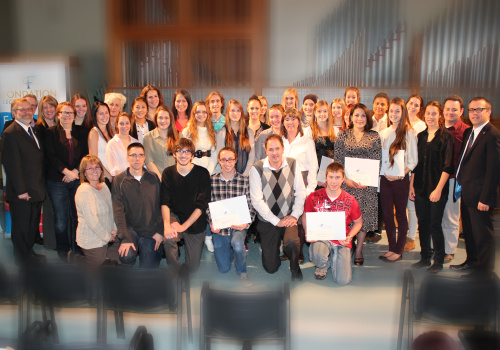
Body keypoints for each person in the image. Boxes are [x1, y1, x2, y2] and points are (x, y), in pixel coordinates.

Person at [451, 97, 500, 274]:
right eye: (472, 110)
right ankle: (471, 261)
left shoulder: (493, 135)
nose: (475, 113)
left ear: (489, 111)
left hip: (481, 196)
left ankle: (484, 271)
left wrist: (485, 198)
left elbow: (494, 171)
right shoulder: (470, 132)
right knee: (470, 232)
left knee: (482, 234)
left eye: (479, 109)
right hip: (467, 191)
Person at [249, 134, 306, 281]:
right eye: (271, 149)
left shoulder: (293, 164)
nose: (275, 153)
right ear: (265, 150)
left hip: (287, 216)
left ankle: (294, 266)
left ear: (283, 148)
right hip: (267, 220)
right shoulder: (257, 169)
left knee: (292, 242)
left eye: (277, 149)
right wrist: (276, 221)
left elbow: (300, 192)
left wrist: (294, 215)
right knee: (271, 268)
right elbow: (256, 201)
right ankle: (274, 253)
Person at [334, 103, 381, 265]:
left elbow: (377, 160)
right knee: (346, 217)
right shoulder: (342, 135)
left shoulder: (374, 136)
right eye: (356, 115)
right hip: (347, 184)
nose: (359, 118)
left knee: (363, 217)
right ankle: (347, 245)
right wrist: (346, 179)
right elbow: (338, 160)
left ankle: (359, 249)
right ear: (350, 117)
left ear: (367, 118)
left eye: (363, 115)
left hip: (366, 187)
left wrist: (367, 181)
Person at [410, 101, 454, 274]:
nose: (430, 116)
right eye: (428, 113)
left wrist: (438, 190)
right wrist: (411, 186)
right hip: (420, 188)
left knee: (435, 224)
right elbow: (415, 164)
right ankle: (425, 257)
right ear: (424, 115)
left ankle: (439, 260)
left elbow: (448, 166)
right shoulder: (420, 136)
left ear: (440, 116)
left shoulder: (446, 137)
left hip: (436, 189)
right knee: (423, 223)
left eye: (434, 113)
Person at [2, 98, 45, 265]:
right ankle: (22, 261)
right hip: (22, 192)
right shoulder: (10, 133)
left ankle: (29, 254)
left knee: (30, 227)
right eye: (22, 110)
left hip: (35, 189)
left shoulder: (30, 130)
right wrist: (21, 191)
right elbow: (12, 165)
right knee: (21, 228)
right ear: (14, 113)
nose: (28, 112)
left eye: (30, 109)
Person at [303, 162, 362, 285]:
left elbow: (358, 222)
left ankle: (335, 258)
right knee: (318, 256)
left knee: (342, 280)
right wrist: (307, 232)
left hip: (341, 240)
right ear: (326, 177)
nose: (333, 181)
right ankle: (323, 265)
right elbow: (305, 216)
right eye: (331, 177)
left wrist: (349, 237)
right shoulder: (313, 197)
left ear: (343, 179)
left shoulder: (350, 200)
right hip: (321, 238)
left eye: (337, 177)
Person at [45, 102, 89, 260]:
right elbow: (50, 156)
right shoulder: (50, 133)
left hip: (77, 179)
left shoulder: (81, 132)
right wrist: (66, 172)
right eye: (64, 112)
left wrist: (76, 172)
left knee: (78, 216)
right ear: (58, 115)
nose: (68, 115)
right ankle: (63, 249)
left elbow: (85, 153)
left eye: (71, 112)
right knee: (61, 218)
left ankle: (78, 247)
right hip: (57, 181)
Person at [161, 138, 211, 272]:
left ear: (192, 155)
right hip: (175, 216)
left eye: (187, 152)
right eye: (180, 151)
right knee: (169, 239)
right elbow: (164, 202)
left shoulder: (202, 173)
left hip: (195, 222)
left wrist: (184, 226)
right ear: (174, 154)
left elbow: (202, 205)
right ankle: (175, 270)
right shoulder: (167, 173)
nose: (183, 155)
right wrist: (166, 226)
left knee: (193, 268)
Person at [207, 147, 255, 286]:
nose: (227, 163)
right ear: (219, 161)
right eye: (224, 160)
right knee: (223, 268)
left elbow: (252, 206)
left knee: (238, 245)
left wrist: (246, 224)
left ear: (236, 160)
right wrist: (212, 221)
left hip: (238, 226)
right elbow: (207, 205)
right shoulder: (212, 181)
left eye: (231, 159)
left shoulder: (244, 181)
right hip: (221, 228)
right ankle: (229, 250)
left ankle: (242, 271)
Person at [112, 143, 164, 268]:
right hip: (131, 230)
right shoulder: (119, 180)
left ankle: (155, 251)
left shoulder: (153, 177)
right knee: (126, 256)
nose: (137, 158)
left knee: (148, 270)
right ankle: (133, 250)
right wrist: (125, 237)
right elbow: (118, 211)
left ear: (145, 157)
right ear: (127, 157)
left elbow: (162, 205)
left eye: (140, 155)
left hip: (150, 231)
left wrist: (160, 232)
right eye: (133, 155)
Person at [379, 97, 418, 262]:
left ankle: (399, 249)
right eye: (391, 111)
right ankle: (391, 247)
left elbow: (413, 161)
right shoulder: (384, 132)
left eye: (397, 111)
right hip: (384, 179)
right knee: (387, 215)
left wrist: (400, 174)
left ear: (403, 113)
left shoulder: (409, 133)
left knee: (401, 214)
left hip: (400, 180)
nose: (394, 114)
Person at [75, 155, 118, 269]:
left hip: (107, 233)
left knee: (116, 259)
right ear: (84, 173)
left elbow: (111, 210)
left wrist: (114, 228)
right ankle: (77, 259)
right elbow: (92, 220)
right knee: (99, 270)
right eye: (90, 168)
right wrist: (107, 236)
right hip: (92, 238)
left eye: (97, 167)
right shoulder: (84, 191)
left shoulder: (103, 186)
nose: (94, 170)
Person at [441, 95, 469, 263]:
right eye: (448, 109)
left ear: (461, 111)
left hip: (453, 180)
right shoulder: (436, 128)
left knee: (451, 215)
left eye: (454, 109)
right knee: (435, 215)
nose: (450, 112)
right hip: (436, 180)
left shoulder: (466, 131)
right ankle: (435, 247)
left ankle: (449, 250)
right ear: (443, 111)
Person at [404, 94, 427, 252]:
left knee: (411, 205)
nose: (413, 107)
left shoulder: (421, 126)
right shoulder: (399, 120)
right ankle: (404, 235)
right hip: (397, 169)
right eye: (411, 103)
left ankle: (411, 237)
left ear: (420, 109)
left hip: (413, 169)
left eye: (416, 105)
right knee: (401, 206)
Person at [215, 99, 255, 176]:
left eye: (238, 110)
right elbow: (220, 157)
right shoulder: (222, 133)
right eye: (232, 110)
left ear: (242, 113)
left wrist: (245, 175)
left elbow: (251, 156)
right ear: (228, 113)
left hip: (245, 175)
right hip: (227, 176)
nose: (235, 113)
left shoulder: (249, 132)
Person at [181, 101, 218, 174]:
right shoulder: (187, 132)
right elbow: (184, 154)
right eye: (198, 112)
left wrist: (208, 172)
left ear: (207, 114)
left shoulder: (212, 132)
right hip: (191, 171)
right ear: (194, 114)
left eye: (204, 112)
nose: (201, 114)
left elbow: (214, 154)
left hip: (209, 171)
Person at [143, 106, 179, 179]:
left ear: (170, 119)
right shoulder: (148, 137)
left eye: (166, 118)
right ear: (156, 119)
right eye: (160, 118)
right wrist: (161, 179)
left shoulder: (178, 136)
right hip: (156, 180)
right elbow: (149, 162)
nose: (163, 121)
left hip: (175, 179)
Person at [105, 112, 139, 177]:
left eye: (127, 123)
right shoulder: (112, 144)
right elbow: (114, 169)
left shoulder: (136, 143)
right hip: (120, 182)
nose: (124, 126)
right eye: (121, 123)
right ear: (116, 125)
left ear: (130, 124)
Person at [88, 102, 113, 184]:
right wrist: (109, 176)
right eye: (101, 114)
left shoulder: (112, 133)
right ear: (95, 116)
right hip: (102, 178)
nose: (105, 116)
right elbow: (94, 159)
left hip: (112, 175)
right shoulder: (94, 133)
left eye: (106, 113)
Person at [310, 100, 336, 176]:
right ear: (314, 113)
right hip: (316, 171)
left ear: (328, 113)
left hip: (333, 170)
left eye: (325, 111)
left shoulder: (335, 130)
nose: (322, 114)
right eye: (319, 111)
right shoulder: (309, 131)